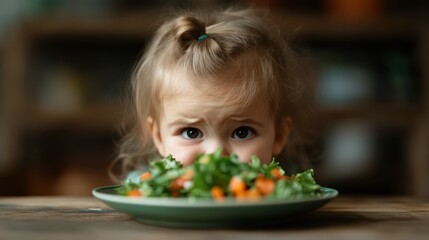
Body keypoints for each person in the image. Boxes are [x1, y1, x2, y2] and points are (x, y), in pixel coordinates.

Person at [111, 7, 318, 181]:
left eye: (242, 132)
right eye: (191, 132)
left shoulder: (287, 192)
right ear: (158, 137)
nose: (215, 155)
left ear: (279, 136)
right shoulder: (145, 190)